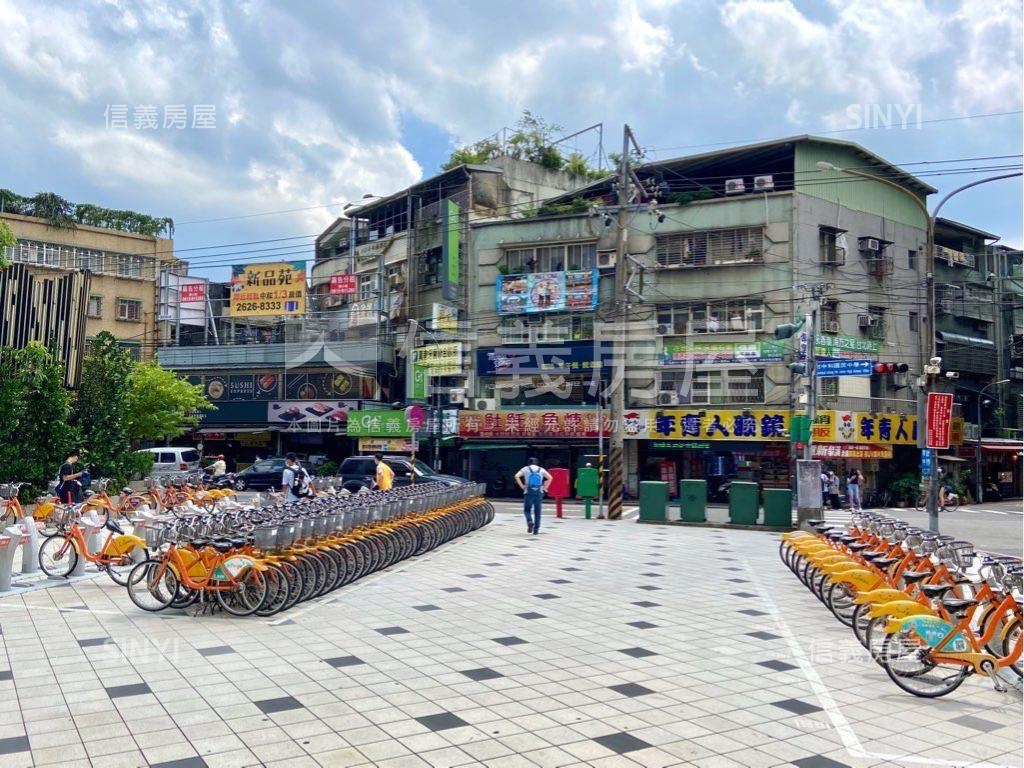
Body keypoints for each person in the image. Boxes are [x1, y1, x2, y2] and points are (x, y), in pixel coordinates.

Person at [514, 457, 552, 535]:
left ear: (528, 463)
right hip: (539, 492)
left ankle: (529, 521)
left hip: (528, 492)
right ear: (537, 463)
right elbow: (550, 478)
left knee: (527, 510)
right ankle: (536, 530)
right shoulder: (541, 469)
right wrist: (545, 488)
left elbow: (516, 476)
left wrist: (522, 486)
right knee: (538, 511)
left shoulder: (525, 469)